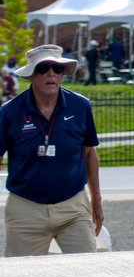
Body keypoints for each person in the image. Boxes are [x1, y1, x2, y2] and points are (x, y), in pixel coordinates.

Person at [0, 45, 103, 256]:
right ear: (31, 75)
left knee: (88, 272)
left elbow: (89, 153)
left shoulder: (80, 106)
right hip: (25, 208)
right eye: (43, 68)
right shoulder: (9, 112)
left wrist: (97, 202)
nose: (51, 73)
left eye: (57, 68)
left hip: (73, 206)